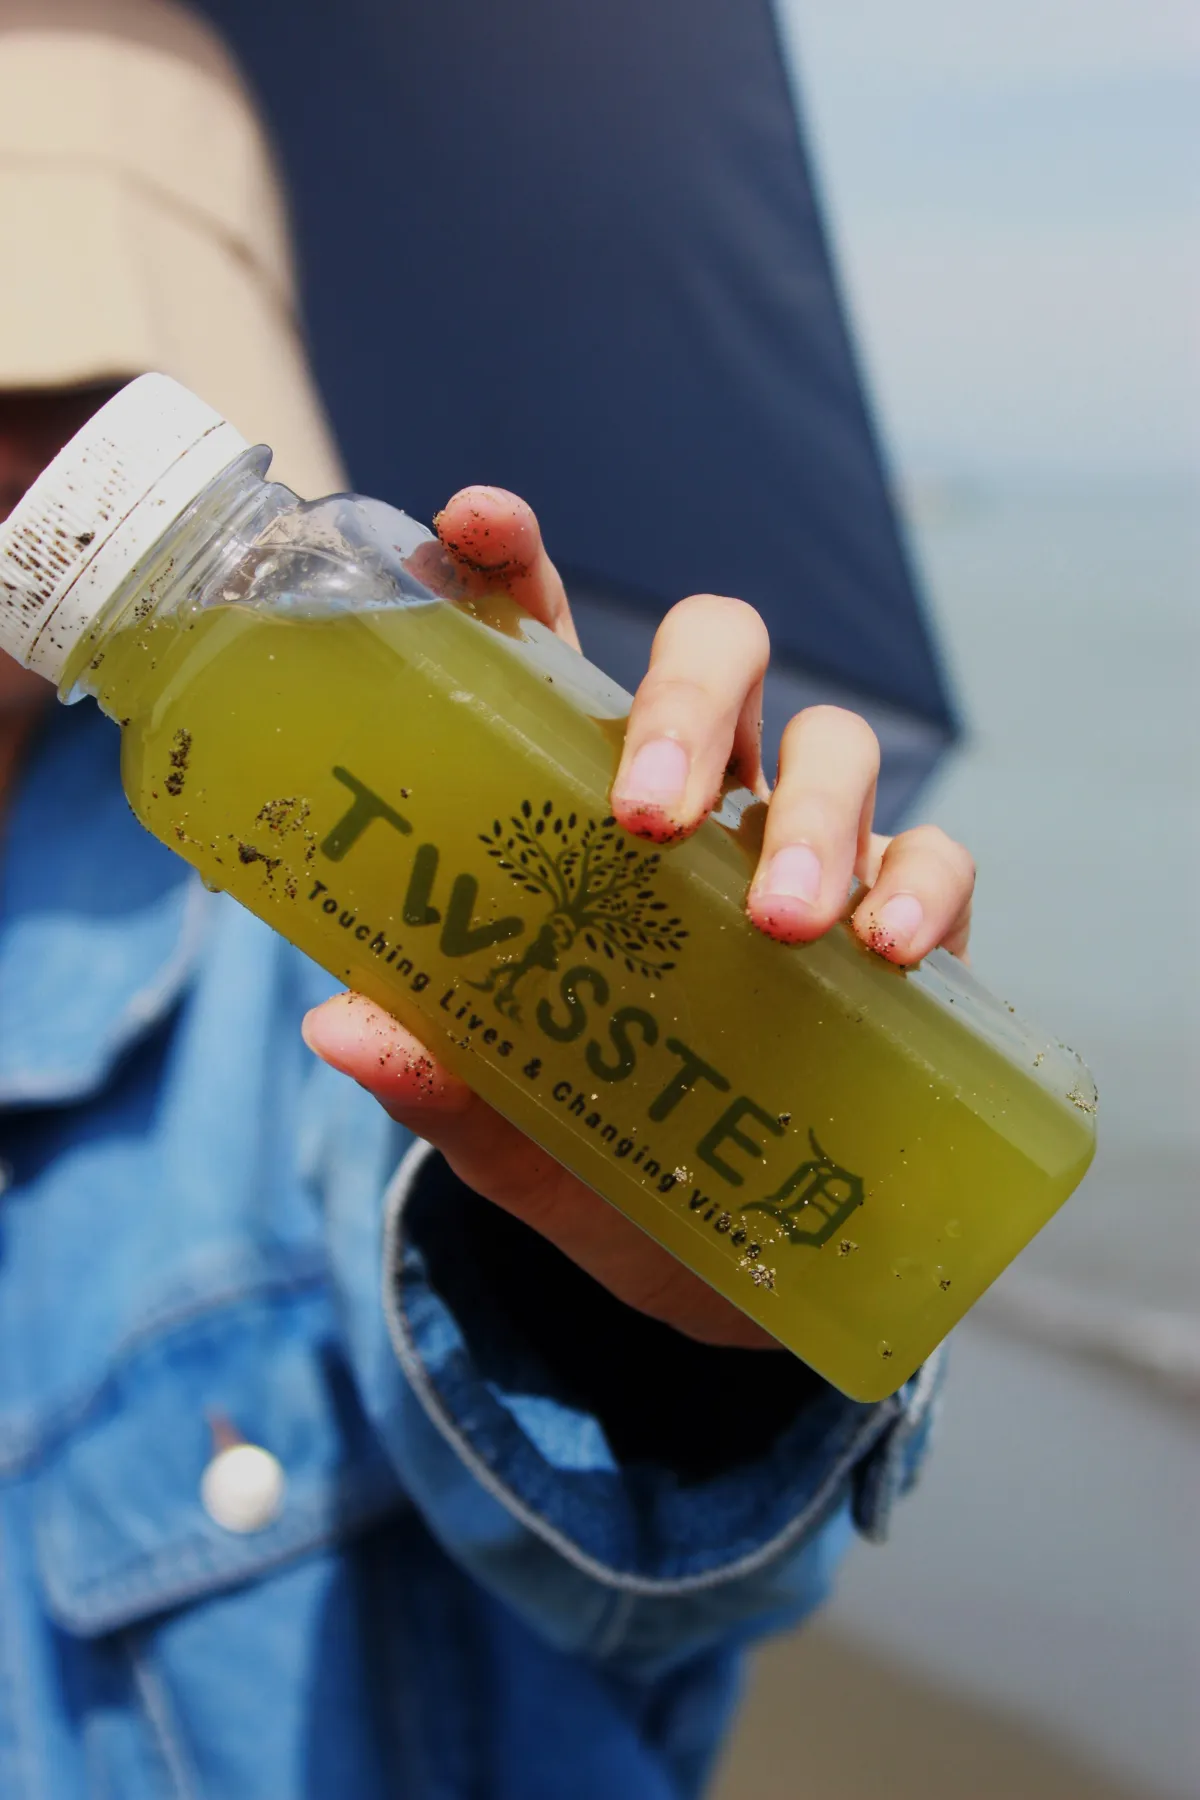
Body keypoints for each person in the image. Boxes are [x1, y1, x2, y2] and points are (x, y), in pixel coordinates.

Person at [0, 3, 975, 1795]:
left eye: (57, 401)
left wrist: (661, 1299)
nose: (17, 479)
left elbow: (627, 1586)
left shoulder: (280, 898)